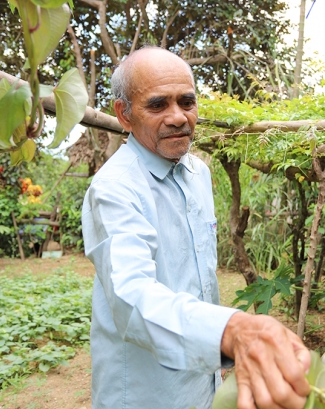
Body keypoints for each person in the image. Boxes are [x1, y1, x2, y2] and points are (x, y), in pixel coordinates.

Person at [82, 46, 311, 409]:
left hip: (204, 379)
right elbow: (132, 297)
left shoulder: (197, 172)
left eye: (186, 102)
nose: (178, 117)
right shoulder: (115, 188)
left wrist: (216, 358)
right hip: (146, 390)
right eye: (158, 105)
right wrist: (231, 330)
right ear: (124, 115)